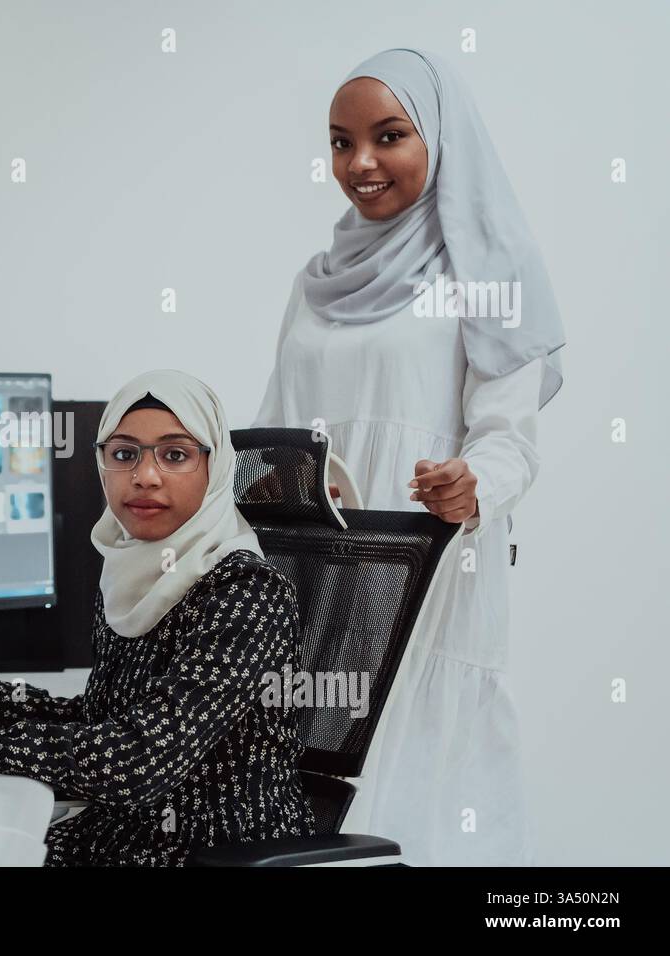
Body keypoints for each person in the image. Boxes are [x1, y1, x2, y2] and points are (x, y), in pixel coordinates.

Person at [253, 48, 566, 865]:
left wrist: (473, 484)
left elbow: (511, 443)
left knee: (430, 802)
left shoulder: (490, 274)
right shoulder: (314, 282)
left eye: (389, 136)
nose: (360, 163)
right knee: (320, 804)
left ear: (439, 136)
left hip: (433, 573)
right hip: (318, 588)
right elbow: (272, 431)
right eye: (340, 142)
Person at [0, 369, 316, 866]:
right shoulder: (134, 569)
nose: (145, 475)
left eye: (175, 455)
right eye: (124, 454)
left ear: (215, 468)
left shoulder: (247, 593)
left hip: (203, 849)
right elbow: (102, 721)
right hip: (121, 831)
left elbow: (138, 759)